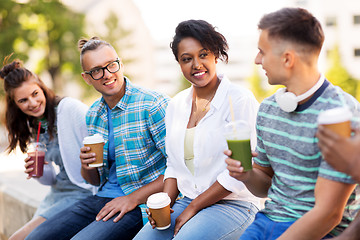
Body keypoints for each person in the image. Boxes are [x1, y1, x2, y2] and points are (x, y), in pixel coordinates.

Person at [225, 7, 360, 240]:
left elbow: (328, 214)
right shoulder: (267, 109)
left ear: (287, 58)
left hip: (318, 231)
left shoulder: (341, 115)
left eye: (262, 52)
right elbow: (265, 186)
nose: (257, 60)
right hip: (267, 220)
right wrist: (246, 174)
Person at [25, 37, 169, 240]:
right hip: (101, 198)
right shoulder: (94, 114)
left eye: (111, 65)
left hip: (142, 204)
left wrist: (130, 199)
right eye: (96, 71)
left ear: (120, 63)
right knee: (35, 238)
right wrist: (87, 165)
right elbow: (95, 179)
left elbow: (179, 169)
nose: (107, 75)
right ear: (87, 78)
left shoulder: (152, 104)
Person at [134, 19, 261, 240]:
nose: (196, 64)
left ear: (215, 55)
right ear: (179, 63)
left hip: (233, 204)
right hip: (187, 200)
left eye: (203, 55)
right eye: (186, 59)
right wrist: (164, 204)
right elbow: (173, 165)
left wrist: (193, 208)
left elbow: (240, 171)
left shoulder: (239, 100)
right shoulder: (176, 105)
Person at [0, 57, 96, 240]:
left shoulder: (69, 109)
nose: (32, 103)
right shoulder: (34, 125)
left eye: (35, 94)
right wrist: (39, 172)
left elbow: (99, 140)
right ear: (15, 104)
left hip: (83, 192)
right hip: (57, 193)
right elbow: (50, 180)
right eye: (23, 100)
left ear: (42, 88)